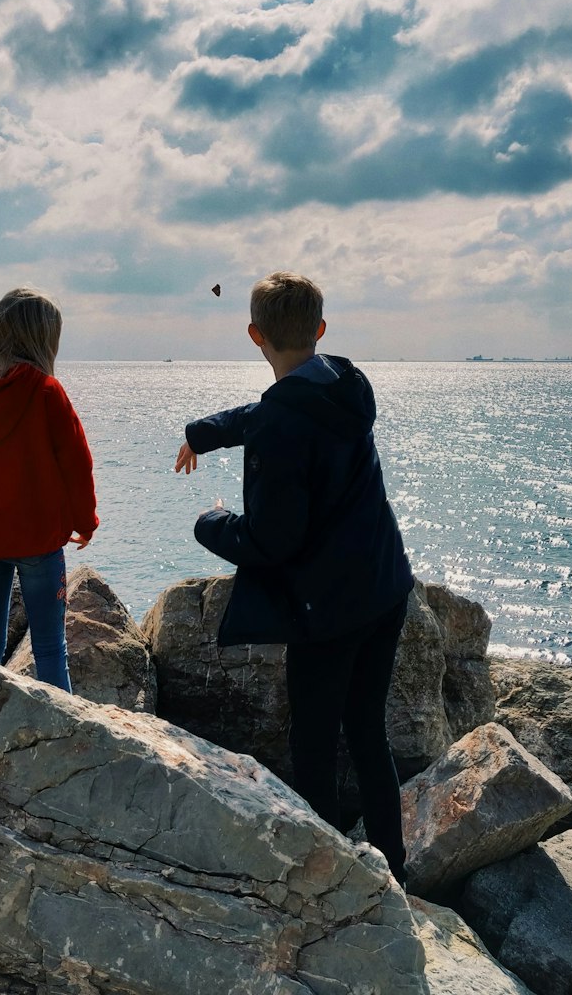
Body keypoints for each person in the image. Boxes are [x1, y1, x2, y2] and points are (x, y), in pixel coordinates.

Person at [175, 272, 414, 885]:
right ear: (321, 330)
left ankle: (328, 883)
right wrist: (202, 432)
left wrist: (211, 523)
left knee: (311, 742)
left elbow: (270, 542)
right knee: (366, 730)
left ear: (254, 334)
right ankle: (395, 869)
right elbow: (269, 411)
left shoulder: (284, 424)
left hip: (329, 610)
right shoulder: (341, 386)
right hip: (384, 587)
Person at [0, 286, 98, 690]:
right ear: (44, 338)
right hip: (39, 540)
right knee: (49, 648)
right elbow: (77, 463)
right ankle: (61, 735)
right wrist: (86, 521)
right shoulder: (47, 392)